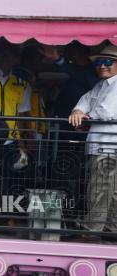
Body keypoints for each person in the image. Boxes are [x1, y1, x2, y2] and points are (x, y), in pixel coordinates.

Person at [69, 45, 117, 235]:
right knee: (111, 193)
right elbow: (84, 101)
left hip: (108, 147)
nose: (102, 66)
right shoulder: (101, 85)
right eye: (99, 62)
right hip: (103, 146)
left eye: (107, 62)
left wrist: (85, 117)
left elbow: (106, 112)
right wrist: (78, 111)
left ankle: (92, 231)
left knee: (99, 190)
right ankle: (111, 230)